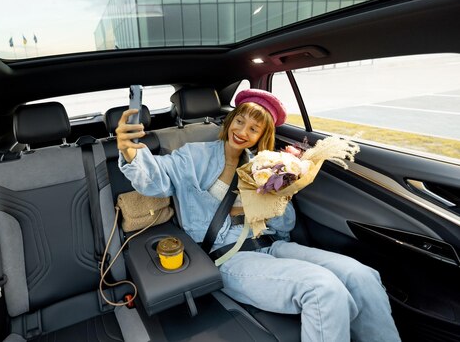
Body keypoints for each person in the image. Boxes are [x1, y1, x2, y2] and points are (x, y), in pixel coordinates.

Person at [116, 89, 401, 342]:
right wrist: (128, 151)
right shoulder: (193, 156)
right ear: (231, 120)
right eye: (240, 120)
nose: (242, 131)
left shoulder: (264, 164)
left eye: (254, 128)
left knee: (362, 275)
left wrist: (278, 194)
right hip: (228, 256)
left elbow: (285, 226)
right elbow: (154, 180)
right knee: (323, 289)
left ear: (262, 135)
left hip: (273, 245)